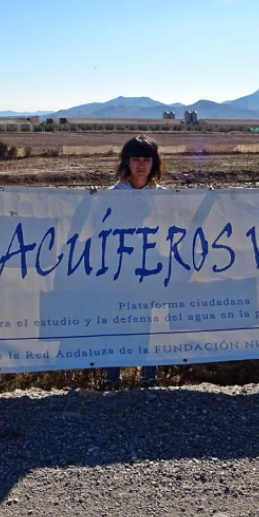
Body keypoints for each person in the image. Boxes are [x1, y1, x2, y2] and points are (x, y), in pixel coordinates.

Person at [102, 135, 166, 389]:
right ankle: (111, 378)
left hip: (151, 271)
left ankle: (148, 378)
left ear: (154, 163)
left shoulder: (165, 197)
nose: (141, 165)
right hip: (117, 272)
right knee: (114, 322)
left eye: (146, 159)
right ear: (126, 162)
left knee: (147, 323)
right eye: (135, 159)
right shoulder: (109, 196)